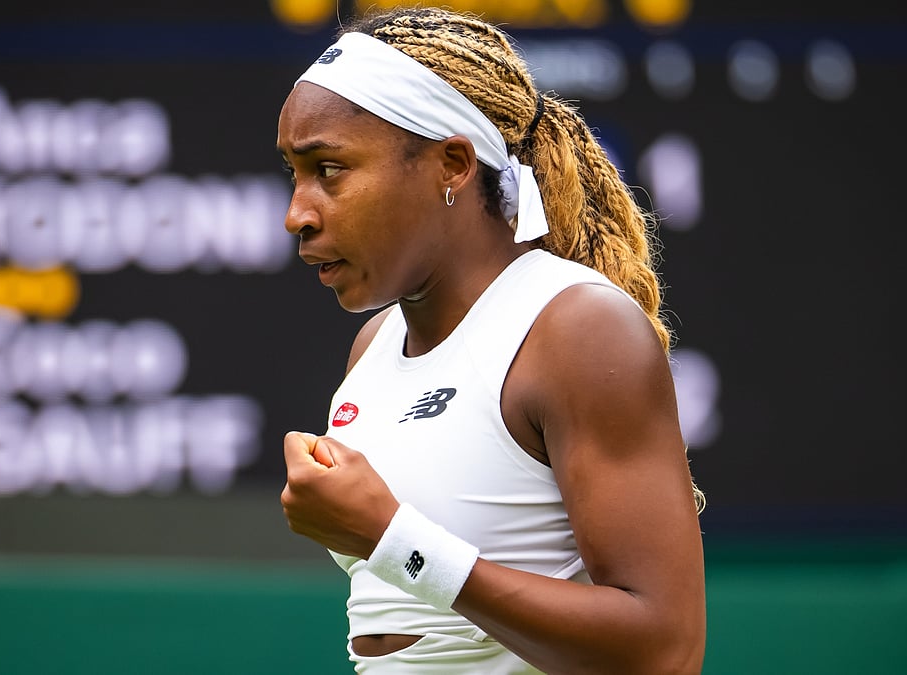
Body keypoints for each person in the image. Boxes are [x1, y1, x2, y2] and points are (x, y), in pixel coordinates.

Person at [278, 7, 706, 673]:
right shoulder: (371, 347)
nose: (297, 213)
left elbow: (664, 648)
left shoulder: (577, 330)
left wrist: (393, 536)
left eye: (329, 169)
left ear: (452, 164)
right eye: (294, 172)